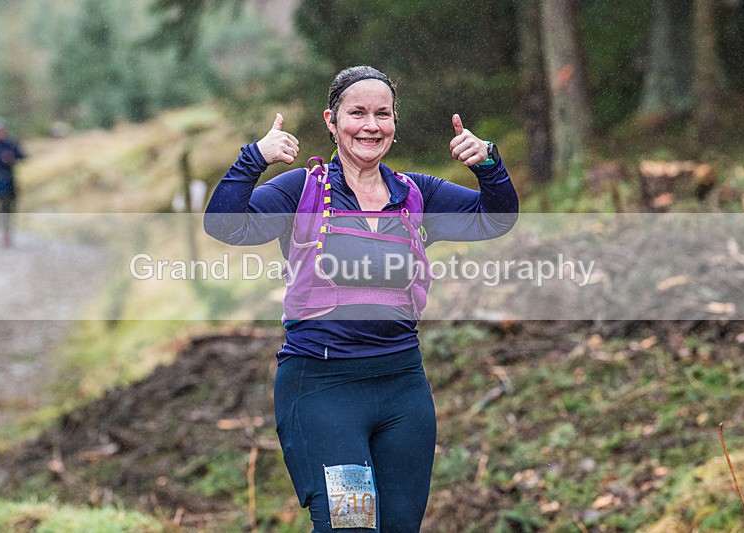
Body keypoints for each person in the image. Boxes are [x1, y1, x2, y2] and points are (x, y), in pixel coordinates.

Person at [204, 66, 518, 532]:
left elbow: (495, 219)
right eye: (357, 113)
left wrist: (488, 164)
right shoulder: (302, 190)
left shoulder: (416, 194)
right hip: (322, 391)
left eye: (382, 114)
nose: (371, 125)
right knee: (350, 527)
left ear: (394, 123)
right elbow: (224, 224)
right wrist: (253, 157)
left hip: (403, 392)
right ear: (331, 121)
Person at [0, 117, 25, 247]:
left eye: (0, 130)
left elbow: (22, 156)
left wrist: (12, 158)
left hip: (10, 179)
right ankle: (3, 232)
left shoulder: (11, 144)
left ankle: (8, 232)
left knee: (9, 206)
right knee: (0, 207)